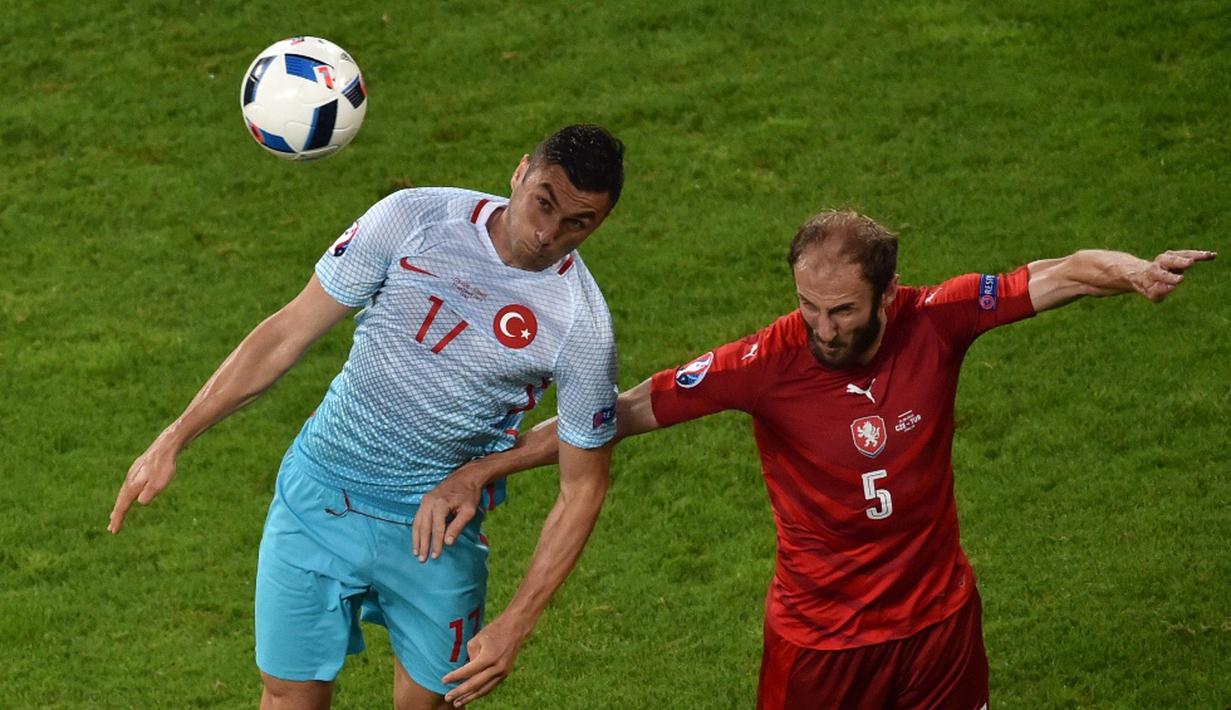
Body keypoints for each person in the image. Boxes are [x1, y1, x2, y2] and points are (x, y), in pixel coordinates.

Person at [412, 209, 1216, 708]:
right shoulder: (764, 361)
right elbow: (615, 414)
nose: (822, 328)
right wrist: (487, 465)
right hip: (819, 644)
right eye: (807, 307)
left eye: (841, 311)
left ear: (888, 294)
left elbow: (1055, 274)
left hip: (937, 625)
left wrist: (1132, 273)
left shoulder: (935, 322)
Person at [108, 124, 627, 710]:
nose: (546, 233)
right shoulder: (413, 219)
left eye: (577, 223)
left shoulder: (582, 327)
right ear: (520, 172)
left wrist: (517, 622)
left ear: (600, 224)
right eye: (544, 203)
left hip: (435, 532)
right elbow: (285, 335)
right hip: (317, 500)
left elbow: (583, 486)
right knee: (287, 697)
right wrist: (176, 437)